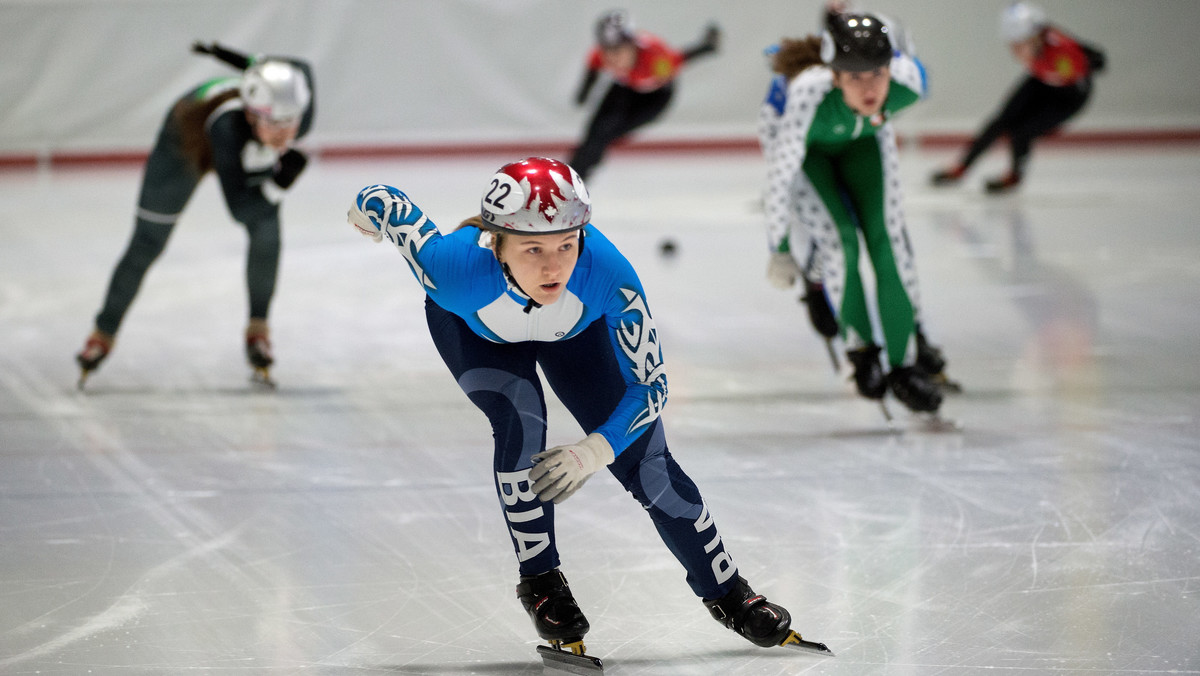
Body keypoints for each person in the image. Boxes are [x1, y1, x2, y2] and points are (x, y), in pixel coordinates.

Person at [345, 158, 831, 661]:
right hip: (477, 332)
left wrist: (593, 451)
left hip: (574, 334)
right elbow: (384, 200)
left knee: (650, 464)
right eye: (533, 249)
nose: (553, 267)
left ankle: (730, 592)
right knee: (522, 414)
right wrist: (363, 212)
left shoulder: (606, 272)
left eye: (566, 245)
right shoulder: (453, 270)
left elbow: (653, 384)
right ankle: (540, 581)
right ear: (497, 242)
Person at [74, 42, 315, 388]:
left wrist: (239, 58)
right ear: (250, 113)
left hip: (243, 138)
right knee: (148, 242)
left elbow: (283, 64)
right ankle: (102, 333)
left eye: (291, 123)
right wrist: (280, 183)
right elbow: (240, 208)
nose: (284, 133)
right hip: (184, 145)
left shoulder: (298, 91)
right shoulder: (228, 128)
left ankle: (258, 330)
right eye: (274, 124)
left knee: (267, 231)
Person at [759, 5, 946, 414]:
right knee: (840, 242)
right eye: (856, 77)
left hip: (864, 143)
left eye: (878, 73)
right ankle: (860, 348)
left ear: (891, 67)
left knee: (889, 243)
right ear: (833, 75)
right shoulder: (808, 92)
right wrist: (779, 247)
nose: (870, 89)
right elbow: (780, 177)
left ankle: (905, 362)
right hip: (808, 153)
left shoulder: (908, 81)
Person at [930, 2, 1105, 194]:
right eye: (1012, 45)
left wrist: (1087, 63)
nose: (1016, 51)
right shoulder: (1037, 42)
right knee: (999, 122)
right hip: (1041, 81)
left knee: (1021, 132)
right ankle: (961, 168)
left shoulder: (1062, 52)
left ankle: (1014, 176)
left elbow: (1097, 60)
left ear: (1038, 36)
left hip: (1069, 96)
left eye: (1020, 44)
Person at [568, 9, 720, 181]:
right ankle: (574, 175)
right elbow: (592, 69)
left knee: (609, 134)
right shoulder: (600, 55)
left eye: (618, 50)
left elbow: (680, 58)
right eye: (607, 50)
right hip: (623, 88)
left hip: (655, 98)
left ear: (633, 45)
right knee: (595, 133)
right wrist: (584, 93)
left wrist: (706, 46)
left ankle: (583, 168)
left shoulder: (656, 59)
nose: (612, 58)